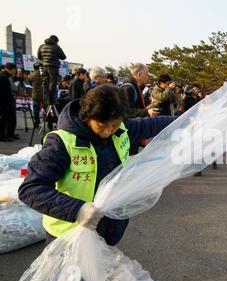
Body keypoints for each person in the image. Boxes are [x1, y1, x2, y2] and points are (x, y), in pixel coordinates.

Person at [18, 85, 177, 247]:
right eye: (102, 126)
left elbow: (149, 125)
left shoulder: (121, 129)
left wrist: (185, 120)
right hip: (69, 235)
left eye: (115, 125)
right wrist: (77, 209)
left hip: (107, 228)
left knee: (99, 270)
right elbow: (31, 188)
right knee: (73, 273)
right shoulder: (61, 143)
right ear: (87, 117)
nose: (109, 131)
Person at [37, 35, 67, 105]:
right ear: (56, 41)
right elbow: (63, 57)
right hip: (53, 67)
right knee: (53, 83)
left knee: (45, 83)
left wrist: (44, 60)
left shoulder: (42, 46)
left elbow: (39, 56)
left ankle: (45, 99)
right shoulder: (56, 47)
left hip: (44, 66)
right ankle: (51, 100)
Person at [0, 63, 18, 141]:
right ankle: (2, 136)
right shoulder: (4, 77)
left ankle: (8, 134)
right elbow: (5, 92)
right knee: (3, 119)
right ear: (12, 69)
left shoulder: (5, 76)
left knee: (8, 118)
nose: (15, 71)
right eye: (15, 70)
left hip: (5, 101)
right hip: (4, 102)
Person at [28, 63, 44, 129]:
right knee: (47, 109)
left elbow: (30, 83)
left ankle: (36, 124)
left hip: (35, 94)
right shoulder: (44, 74)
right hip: (44, 93)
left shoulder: (30, 75)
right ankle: (50, 124)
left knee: (36, 110)